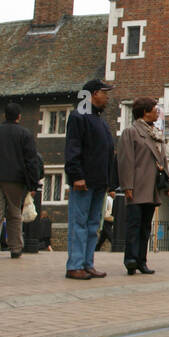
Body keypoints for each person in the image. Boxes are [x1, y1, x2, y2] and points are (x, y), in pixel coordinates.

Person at [0, 102, 43, 262]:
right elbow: (31, 161)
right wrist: (34, 183)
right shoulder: (24, 134)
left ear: (4, 116)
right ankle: (15, 247)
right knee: (14, 213)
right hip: (15, 179)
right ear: (19, 117)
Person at [64, 79, 116, 280]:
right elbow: (73, 148)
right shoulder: (79, 117)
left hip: (98, 181)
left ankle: (87, 263)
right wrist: (76, 176)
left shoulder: (99, 120)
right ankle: (75, 265)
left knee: (94, 224)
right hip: (83, 181)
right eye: (105, 93)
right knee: (79, 224)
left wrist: (108, 182)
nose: (107, 97)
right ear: (94, 94)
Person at [117, 96, 166, 275]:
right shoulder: (131, 132)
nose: (157, 111)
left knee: (145, 227)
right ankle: (130, 259)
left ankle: (141, 261)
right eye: (155, 108)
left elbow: (163, 158)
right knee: (134, 225)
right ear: (145, 112)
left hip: (152, 187)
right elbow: (125, 161)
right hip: (137, 186)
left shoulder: (157, 133)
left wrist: (166, 182)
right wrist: (127, 186)